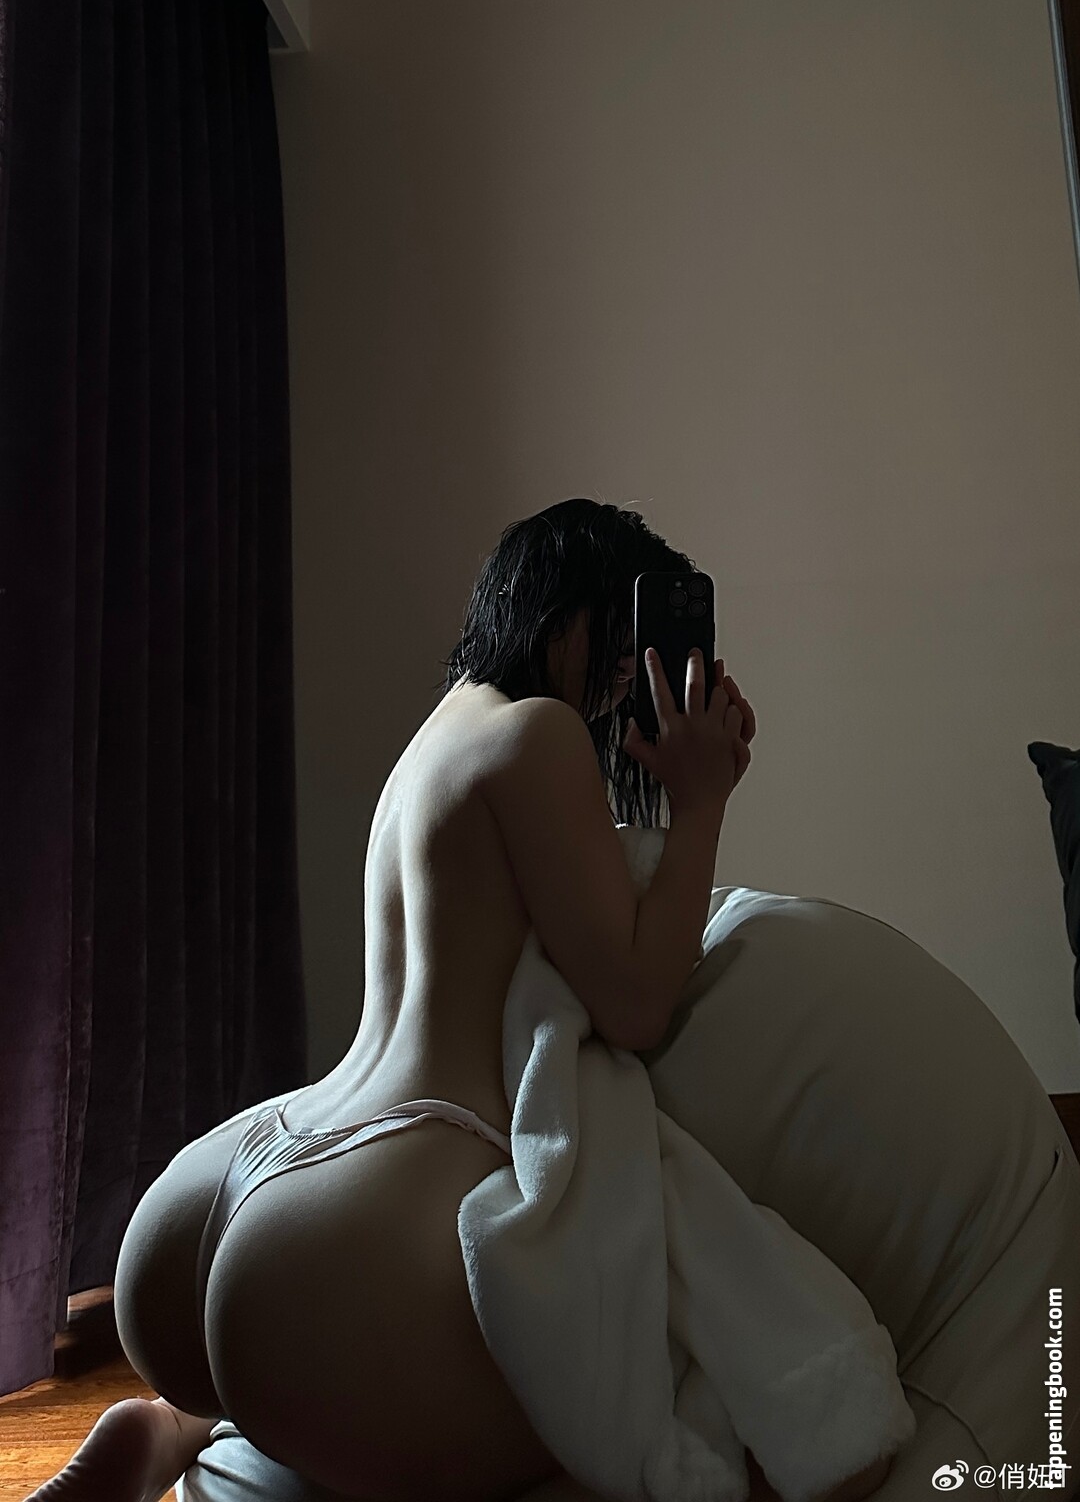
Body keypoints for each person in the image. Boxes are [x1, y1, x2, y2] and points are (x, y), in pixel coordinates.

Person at [25, 499, 897, 1502]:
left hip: (235, 1179)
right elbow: (635, 1004)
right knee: (624, 1423)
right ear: (561, 608)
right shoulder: (539, 734)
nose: (631, 670)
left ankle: (178, 1420)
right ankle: (236, 1406)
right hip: (365, 1205)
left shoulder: (435, 742)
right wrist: (701, 804)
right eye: (621, 635)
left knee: (320, 1373)